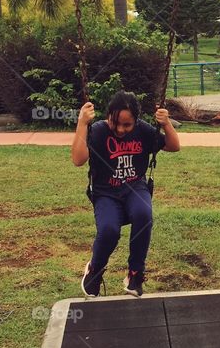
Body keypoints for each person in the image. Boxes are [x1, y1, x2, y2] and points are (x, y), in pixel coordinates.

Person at [71, 91, 180, 297]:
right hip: (106, 193)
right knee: (109, 230)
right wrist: (82, 124)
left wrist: (166, 124)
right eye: (116, 123)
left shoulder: (144, 131)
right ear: (108, 116)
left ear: (136, 121)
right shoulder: (98, 131)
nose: (121, 129)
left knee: (143, 215)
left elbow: (174, 146)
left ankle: (135, 273)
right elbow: (78, 160)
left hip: (135, 188)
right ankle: (95, 269)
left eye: (127, 125)